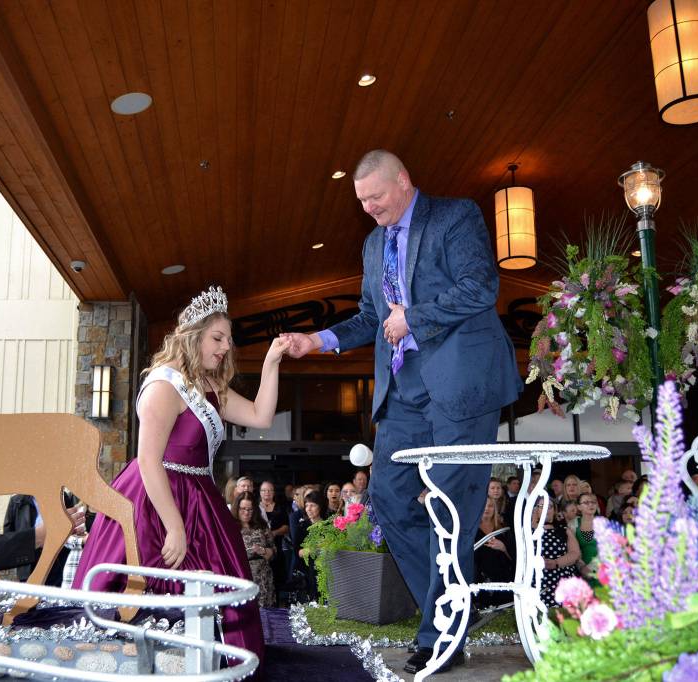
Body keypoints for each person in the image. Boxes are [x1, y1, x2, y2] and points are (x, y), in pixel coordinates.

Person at [282, 150, 522, 674]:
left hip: (462, 383)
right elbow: (372, 316)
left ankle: (441, 634)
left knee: (454, 510)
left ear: (404, 181)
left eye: (376, 196)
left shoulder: (454, 217)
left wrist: (413, 318)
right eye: (361, 200)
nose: (368, 207)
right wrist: (316, 340)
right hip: (404, 389)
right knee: (389, 499)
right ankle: (451, 608)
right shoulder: (374, 244)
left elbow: (481, 287)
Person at [70, 286, 289, 662]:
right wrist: (174, 526)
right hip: (155, 499)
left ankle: (214, 661)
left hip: (201, 496)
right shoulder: (164, 384)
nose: (224, 348)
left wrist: (271, 362)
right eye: (217, 338)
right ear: (193, 336)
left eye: (228, 340)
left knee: (218, 590)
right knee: (149, 587)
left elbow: (260, 416)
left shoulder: (213, 387)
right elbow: (148, 460)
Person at [531, 498, 580, 608]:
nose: (546, 510)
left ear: (555, 510)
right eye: (541, 506)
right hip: (538, 580)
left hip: (562, 578)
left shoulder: (564, 529)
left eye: (549, 507)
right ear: (535, 510)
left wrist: (556, 562)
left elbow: (575, 553)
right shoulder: (528, 531)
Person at [233, 492, 276, 608]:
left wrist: (263, 551)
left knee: (264, 616)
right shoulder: (230, 527)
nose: (246, 512)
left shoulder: (262, 526)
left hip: (262, 577)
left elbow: (274, 551)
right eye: (242, 509)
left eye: (250, 509)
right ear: (237, 508)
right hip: (239, 576)